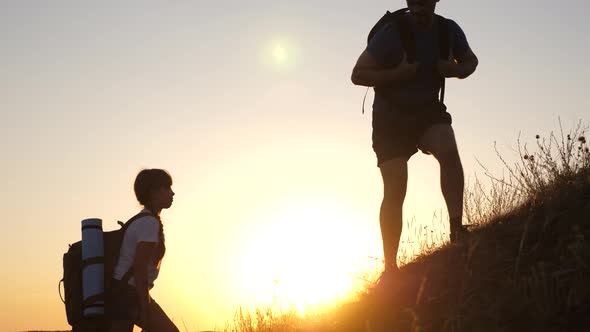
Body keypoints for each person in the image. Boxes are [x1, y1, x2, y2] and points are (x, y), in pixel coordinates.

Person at [351, 0, 479, 277]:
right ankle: (390, 269)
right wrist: (397, 74)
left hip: (427, 112)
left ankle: (456, 229)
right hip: (389, 119)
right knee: (395, 190)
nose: (419, 6)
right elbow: (358, 74)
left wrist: (455, 70)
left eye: (425, 1)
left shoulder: (448, 30)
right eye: (414, 1)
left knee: (448, 149)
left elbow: (471, 61)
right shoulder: (392, 33)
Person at [109, 169, 179, 332]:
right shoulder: (149, 223)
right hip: (128, 294)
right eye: (167, 188)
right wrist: (145, 309)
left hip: (121, 292)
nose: (172, 193)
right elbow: (139, 268)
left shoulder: (144, 220)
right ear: (153, 192)